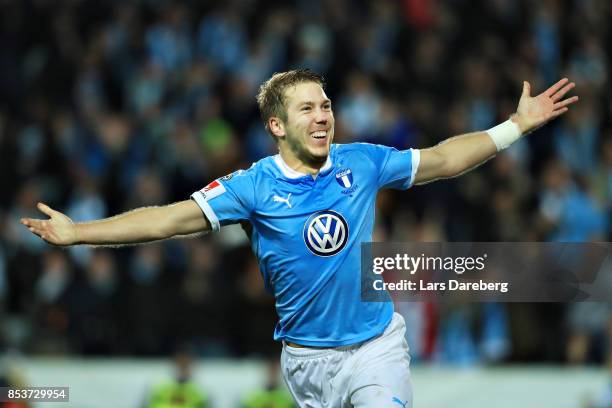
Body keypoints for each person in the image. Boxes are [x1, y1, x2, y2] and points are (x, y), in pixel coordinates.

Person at [21, 69, 578, 407]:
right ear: (277, 126)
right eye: (307, 108)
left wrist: (515, 126)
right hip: (306, 361)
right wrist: (79, 234)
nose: (323, 117)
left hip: (374, 345)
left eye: (327, 105)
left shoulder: (361, 163)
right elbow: (166, 219)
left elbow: (442, 158)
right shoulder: (251, 187)